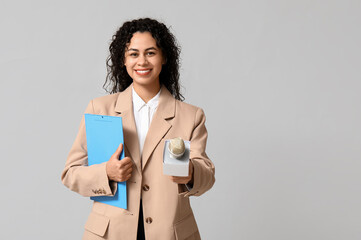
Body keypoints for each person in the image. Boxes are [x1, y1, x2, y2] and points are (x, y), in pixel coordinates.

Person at [61, 18, 215, 240]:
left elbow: (207, 176)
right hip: (111, 232)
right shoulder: (99, 108)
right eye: (133, 54)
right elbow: (70, 173)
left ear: (164, 58)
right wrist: (106, 172)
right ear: (123, 60)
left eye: (150, 53)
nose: (142, 61)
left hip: (169, 233)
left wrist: (190, 172)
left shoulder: (191, 116)